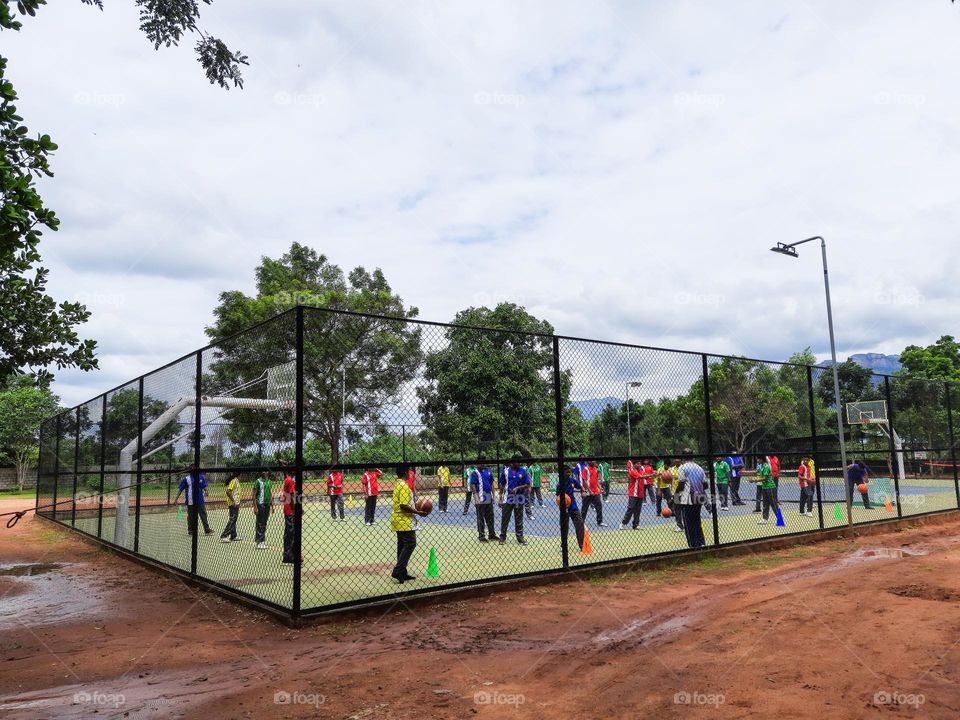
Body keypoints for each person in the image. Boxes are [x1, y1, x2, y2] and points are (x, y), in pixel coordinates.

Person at [390, 465, 428, 583]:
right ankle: (398, 570)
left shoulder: (398, 484)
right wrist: (419, 512)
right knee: (411, 543)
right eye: (409, 472)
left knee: (402, 545)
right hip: (404, 521)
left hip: (397, 519)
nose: (410, 474)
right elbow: (404, 506)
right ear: (406, 473)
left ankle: (402, 572)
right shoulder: (405, 487)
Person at [675, 450, 707, 549]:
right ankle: (701, 543)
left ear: (683, 457)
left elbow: (681, 484)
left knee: (688, 524)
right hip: (699, 498)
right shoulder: (700, 468)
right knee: (697, 521)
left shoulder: (682, 468)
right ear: (693, 456)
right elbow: (705, 484)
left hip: (688, 500)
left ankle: (693, 546)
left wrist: (675, 495)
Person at [498, 458, 530, 545]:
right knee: (505, 518)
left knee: (519, 518)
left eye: (520, 461)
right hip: (508, 498)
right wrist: (501, 494)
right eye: (517, 462)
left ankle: (520, 538)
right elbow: (501, 482)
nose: (519, 463)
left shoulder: (523, 471)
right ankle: (502, 538)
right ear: (512, 463)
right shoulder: (506, 471)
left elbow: (527, 484)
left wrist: (518, 488)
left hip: (519, 498)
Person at [556, 465, 586, 550]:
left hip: (573, 506)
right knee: (564, 527)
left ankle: (581, 545)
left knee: (580, 524)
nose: (569, 474)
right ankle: (563, 545)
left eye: (570, 472)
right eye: (567, 472)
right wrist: (562, 501)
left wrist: (583, 491)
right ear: (562, 473)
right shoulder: (560, 484)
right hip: (564, 508)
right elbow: (557, 497)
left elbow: (580, 486)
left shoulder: (572, 480)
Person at [175, 472, 212, 537]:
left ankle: (207, 529)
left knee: (203, 514)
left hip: (200, 500)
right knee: (191, 516)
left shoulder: (200, 477)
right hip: (190, 501)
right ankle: (191, 531)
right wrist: (176, 499)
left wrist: (206, 491)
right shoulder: (186, 479)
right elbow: (180, 489)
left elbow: (204, 486)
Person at [471, 463, 497, 542]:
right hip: (480, 497)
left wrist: (494, 495)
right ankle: (481, 536)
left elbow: (491, 483)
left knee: (490, 516)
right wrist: (476, 497)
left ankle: (491, 534)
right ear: (478, 464)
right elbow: (473, 485)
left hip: (488, 497)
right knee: (480, 517)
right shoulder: (475, 472)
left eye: (484, 463)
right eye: (481, 463)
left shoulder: (488, 471)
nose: (483, 464)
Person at [581, 460, 606, 527]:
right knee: (585, 508)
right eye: (593, 461)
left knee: (599, 506)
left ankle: (600, 522)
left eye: (595, 461)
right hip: (588, 492)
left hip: (595, 492)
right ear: (589, 462)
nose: (595, 462)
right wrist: (589, 491)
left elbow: (596, 480)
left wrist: (600, 487)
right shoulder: (585, 469)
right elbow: (584, 481)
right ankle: (581, 522)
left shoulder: (595, 469)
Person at [621, 460, 644, 529]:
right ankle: (623, 523)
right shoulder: (633, 471)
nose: (639, 465)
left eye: (640, 464)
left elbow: (646, 476)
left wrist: (655, 475)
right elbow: (640, 477)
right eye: (637, 464)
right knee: (631, 509)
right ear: (634, 465)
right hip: (633, 493)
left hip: (640, 493)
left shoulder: (641, 470)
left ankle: (636, 524)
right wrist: (651, 475)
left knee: (638, 510)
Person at [755, 458, 778, 525]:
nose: (757, 460)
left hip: (770, 487)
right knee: (765, 504)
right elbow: (755, 472)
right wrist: (743, 473)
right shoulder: (761, 466)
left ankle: (779, 518)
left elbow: (765, 478)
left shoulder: (766, 466)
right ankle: (765, 519)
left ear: (761, 459)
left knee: (773, 504)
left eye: (758, 459)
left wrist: (754, 480)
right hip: (764, 487)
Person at [281, 472, 298, 564]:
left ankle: (291, 555)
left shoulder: (288, 478)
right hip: (290, 510)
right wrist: (297, 508)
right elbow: (291, 496)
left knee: (290, 533)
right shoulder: (290, 480)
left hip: (289, 509)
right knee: (290, 533)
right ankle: (288, 557)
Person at [219, 474, 241, 542]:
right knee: (232, 519)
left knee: (234, 519)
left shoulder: (236, 480)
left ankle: (233, 535)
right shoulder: (234, 481)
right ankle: (224, 536)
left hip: (236, 503)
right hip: (233, 503)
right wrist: (233, 501)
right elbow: (228, 491)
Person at [252, 473, 271, 549]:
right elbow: (253, 495)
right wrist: (255, 507)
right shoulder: (258, 481)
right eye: (263, 471)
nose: (265, 472)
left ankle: (262, 541)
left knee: (264, 522)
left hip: (267, 504)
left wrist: (272, 505)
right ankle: (259, 542)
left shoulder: (269, 481)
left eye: (266, 471)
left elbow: (270, 493)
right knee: (260, 522)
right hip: (260, 504)